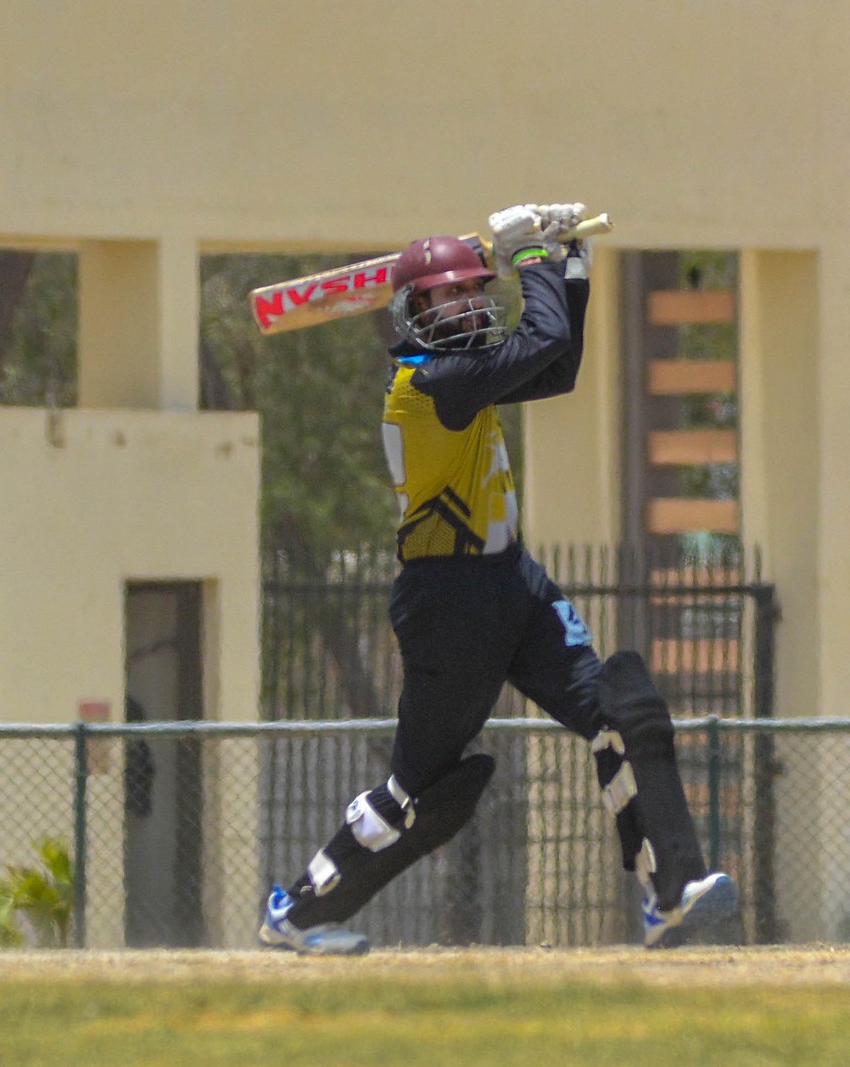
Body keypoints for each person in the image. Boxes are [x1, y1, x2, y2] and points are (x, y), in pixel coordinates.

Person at [258, 203, 736, 955]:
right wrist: (530, 259)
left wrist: (567, 263)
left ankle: (670, 894)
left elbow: (558, 364)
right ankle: (299, 910)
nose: (468, 303)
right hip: (449, 601)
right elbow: (541, 338)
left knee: (623, 710)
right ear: (416, 311)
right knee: (416, 791)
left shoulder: (468, 377)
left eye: (473, 289)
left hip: (514, 581)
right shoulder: (430, 384)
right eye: (449, 294)